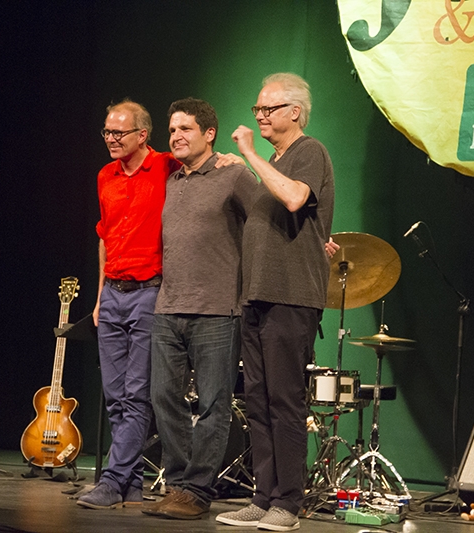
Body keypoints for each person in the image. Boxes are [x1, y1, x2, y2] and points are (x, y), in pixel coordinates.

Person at [216, 73, 335, 531]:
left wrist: (247, 153)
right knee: (258, 401)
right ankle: (264, 497)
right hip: (257, 296)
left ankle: (289, 503)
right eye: (257, 109)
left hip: (290, 297)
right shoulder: (276, 158)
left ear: (296, 113)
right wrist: (250, 165)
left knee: (286, 402)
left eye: (269, 108)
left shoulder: (311, 151)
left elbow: (294, 198)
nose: (260, 115)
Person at [142, 98, 259, 520]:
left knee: (213, 404)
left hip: (217, 310)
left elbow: (267, 219)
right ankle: (177, 485)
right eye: (172, 130)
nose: (176, 136)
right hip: (168, 306)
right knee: (163, 398)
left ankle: (196, 491)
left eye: (185, 129)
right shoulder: (173, 180)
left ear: (209, 134)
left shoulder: (233, 176)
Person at [77, 100, 180, 510]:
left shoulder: (166, 167)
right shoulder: (105, 176)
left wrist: (226, 156)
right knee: (114, 395)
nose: (111, 139)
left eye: (119, 133)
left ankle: (111, 479)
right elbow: (105, 238)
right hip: (114, 295)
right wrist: (100, 296)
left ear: (143, 135)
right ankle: (132, 482)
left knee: (136, 395)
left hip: (149, 293)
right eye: (106, 132)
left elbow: (202, 161)